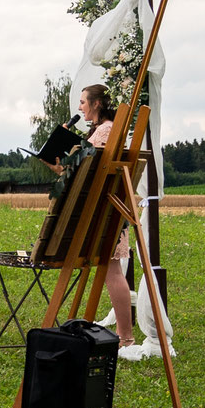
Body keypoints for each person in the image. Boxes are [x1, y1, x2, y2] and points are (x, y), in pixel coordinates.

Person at [74, 85, 137, 346]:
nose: (80, 108)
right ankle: (124, 334)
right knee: (110, 270)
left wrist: (66, 160)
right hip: (105, 210)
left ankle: (125, 336)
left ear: (96, 103)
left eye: (82, 102)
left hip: (104, 212)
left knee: (112, 271)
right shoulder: (103, 129)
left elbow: (85, 168)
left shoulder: (105, 130)